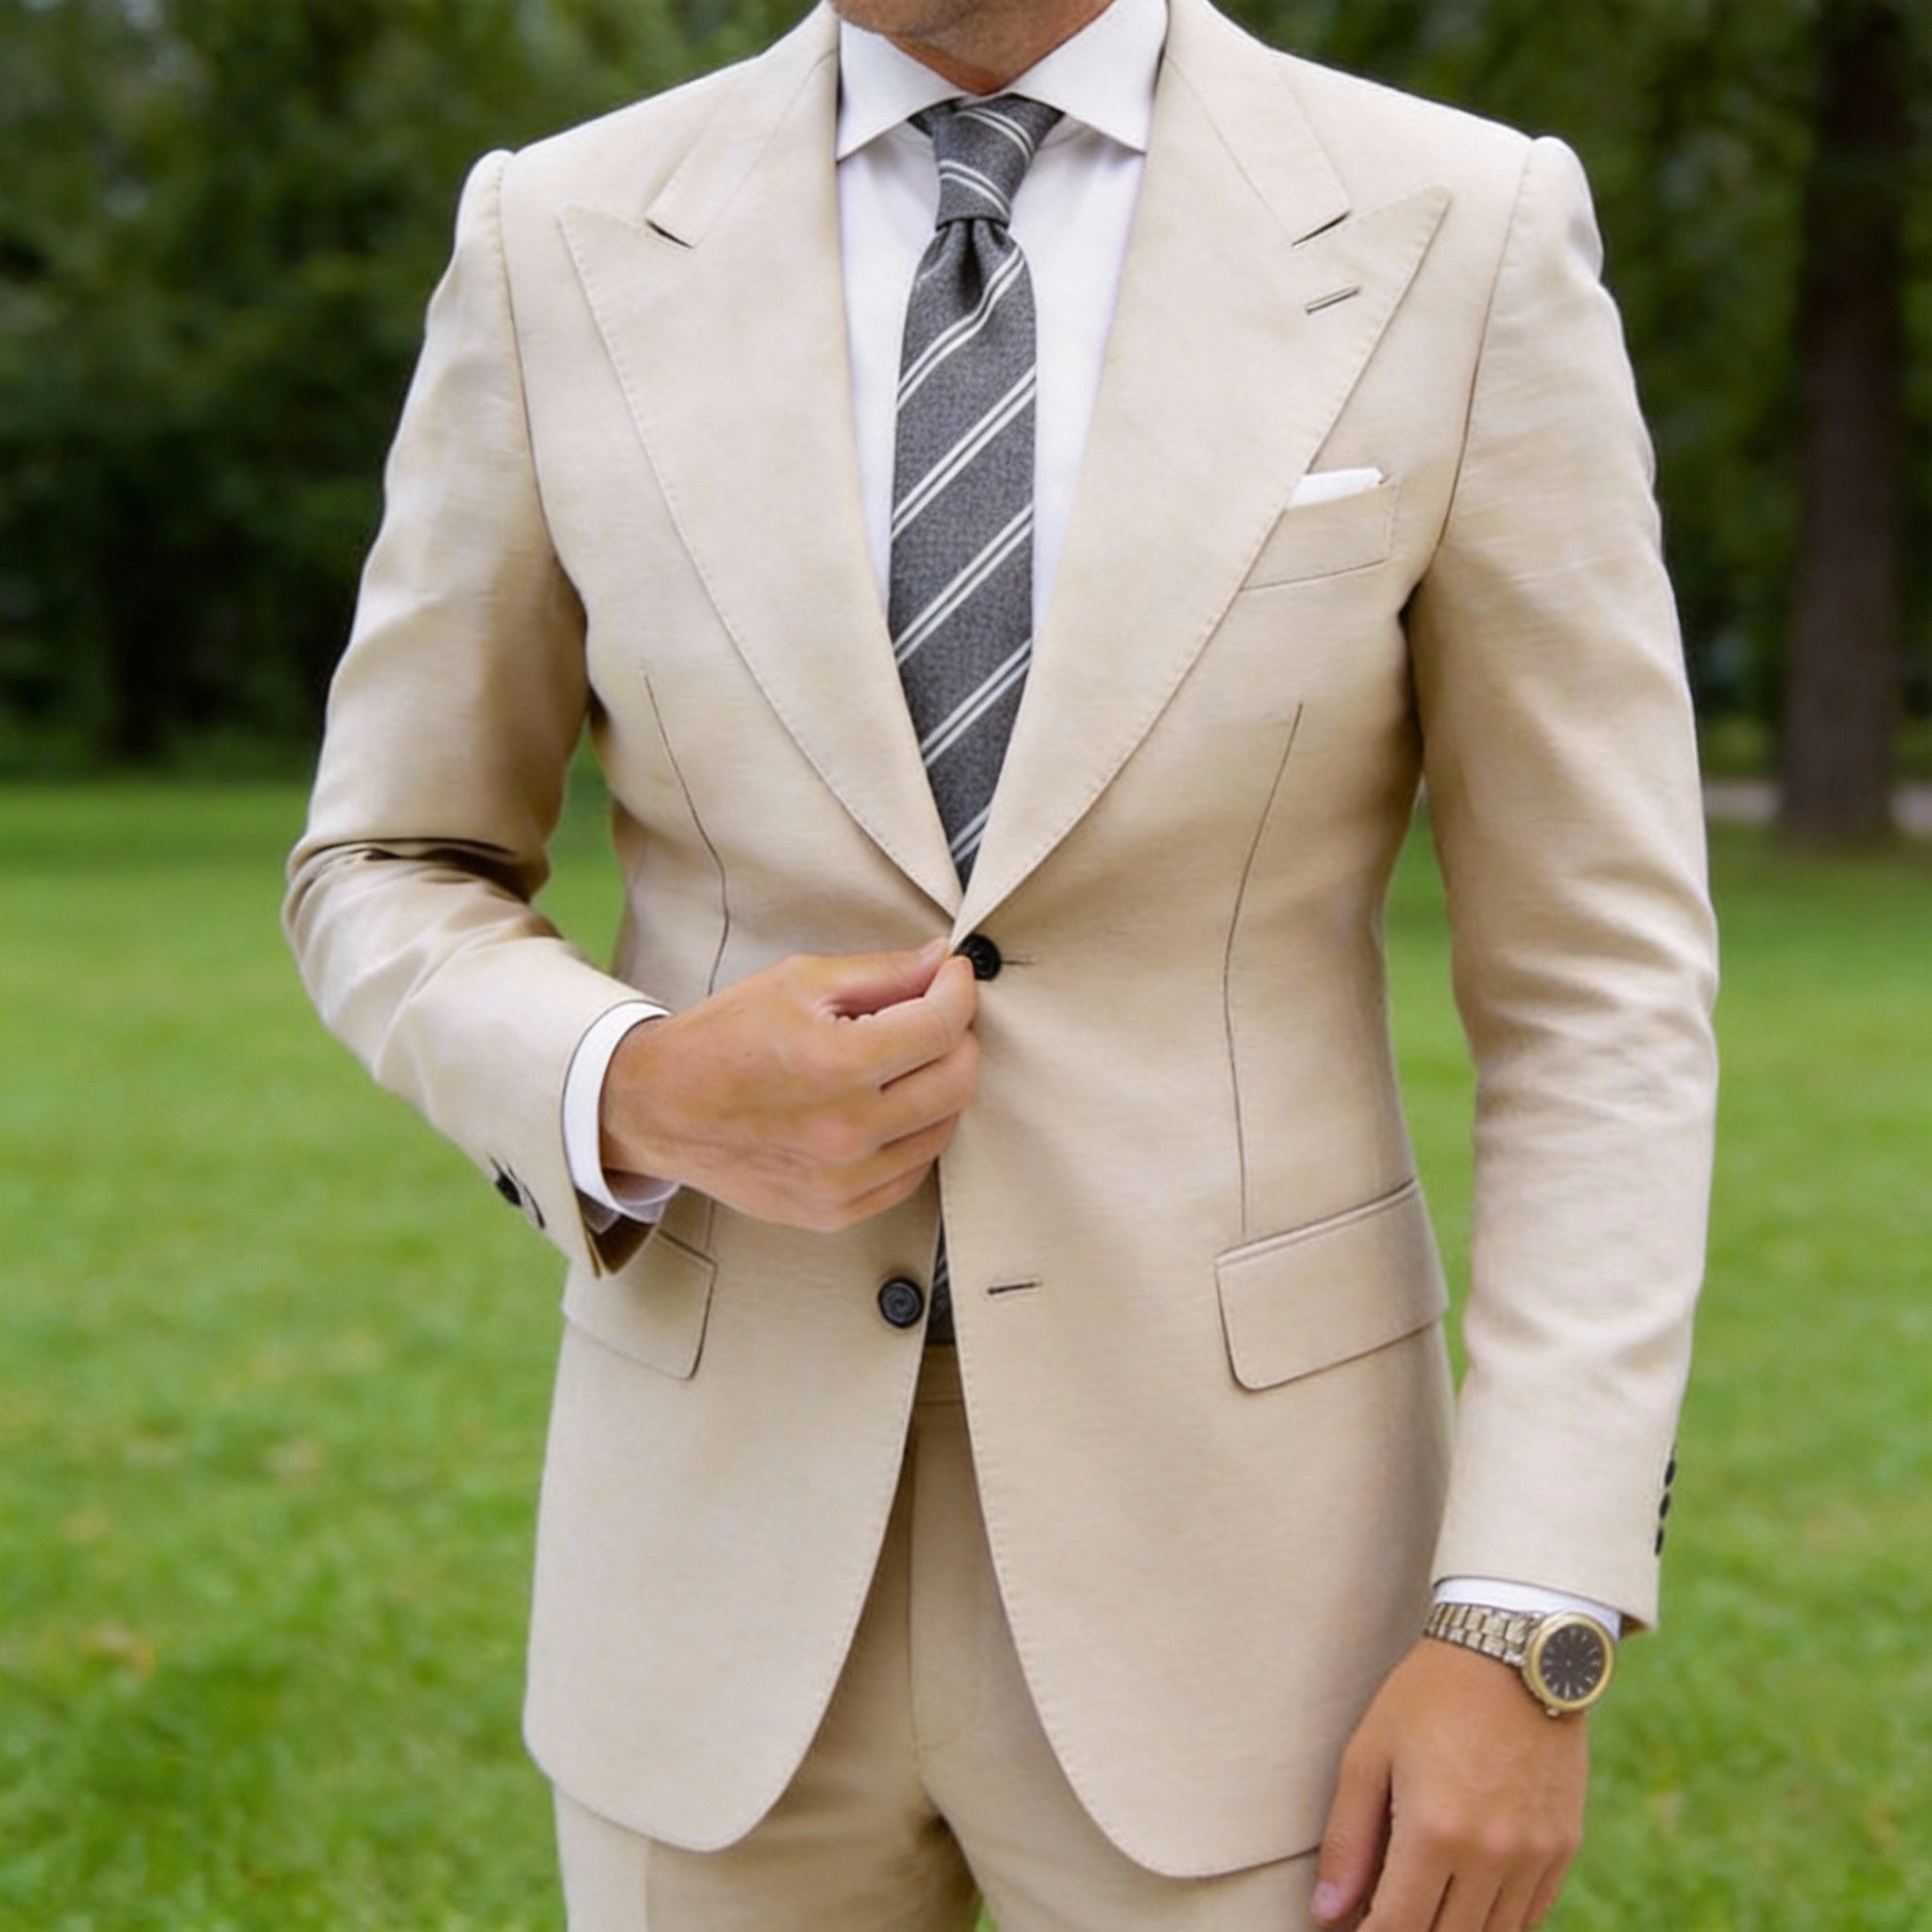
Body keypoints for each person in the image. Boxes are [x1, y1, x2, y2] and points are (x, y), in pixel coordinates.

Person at [285, 0, 1719, 1924]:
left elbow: (1598, 986)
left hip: (1263, 1602)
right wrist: (625, 1084)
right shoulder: (558, 236)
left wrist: (1527, 1609)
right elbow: (387, 855)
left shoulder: (1454, 231)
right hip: (706, 1589)